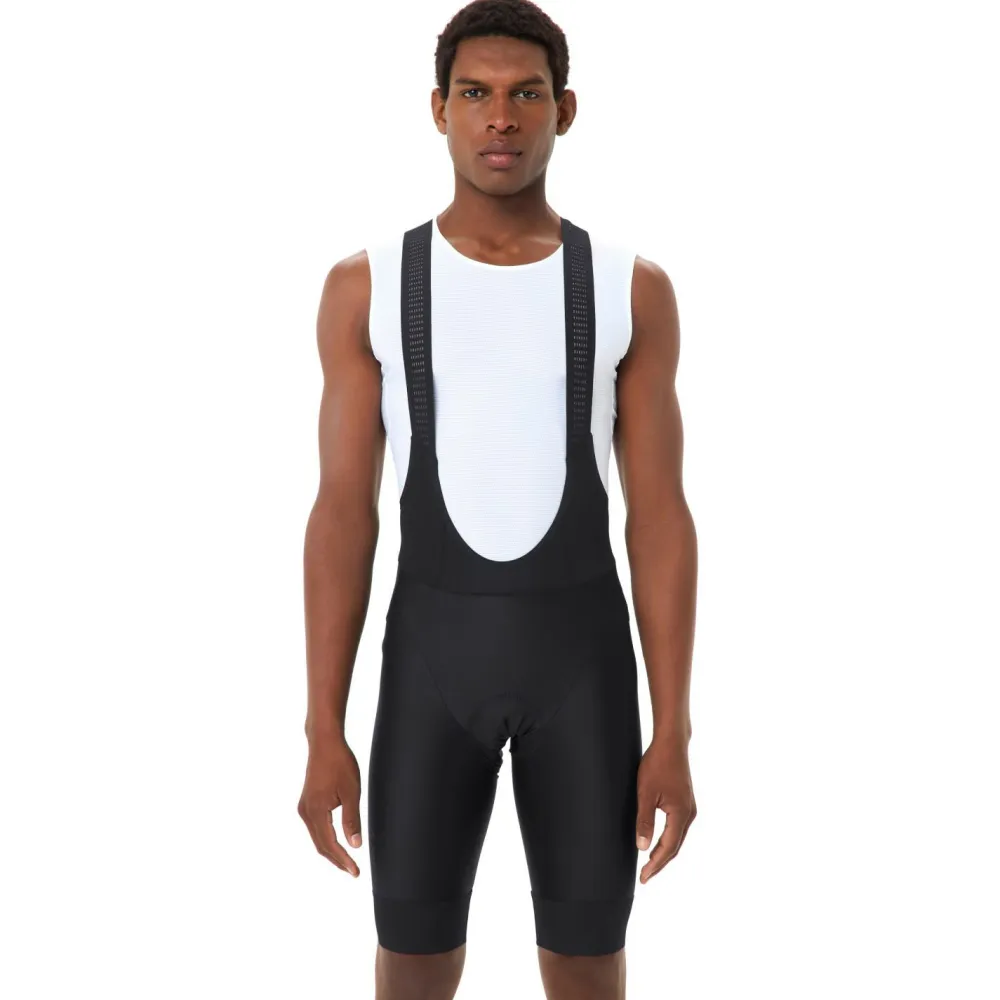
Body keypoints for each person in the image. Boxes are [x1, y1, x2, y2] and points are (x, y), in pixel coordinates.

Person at [299, 2, 698, 997]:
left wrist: (674, 732)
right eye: (475, 93)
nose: (501, 117)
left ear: (566, 110)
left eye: (527, 94)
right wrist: (321, 728)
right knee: (411, 957)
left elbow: (660, 518)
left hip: (584, 673)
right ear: (439, 109)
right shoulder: (368, 285)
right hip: (429, 669)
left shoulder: (629, 287)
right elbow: (343, 514)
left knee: (589, 959)